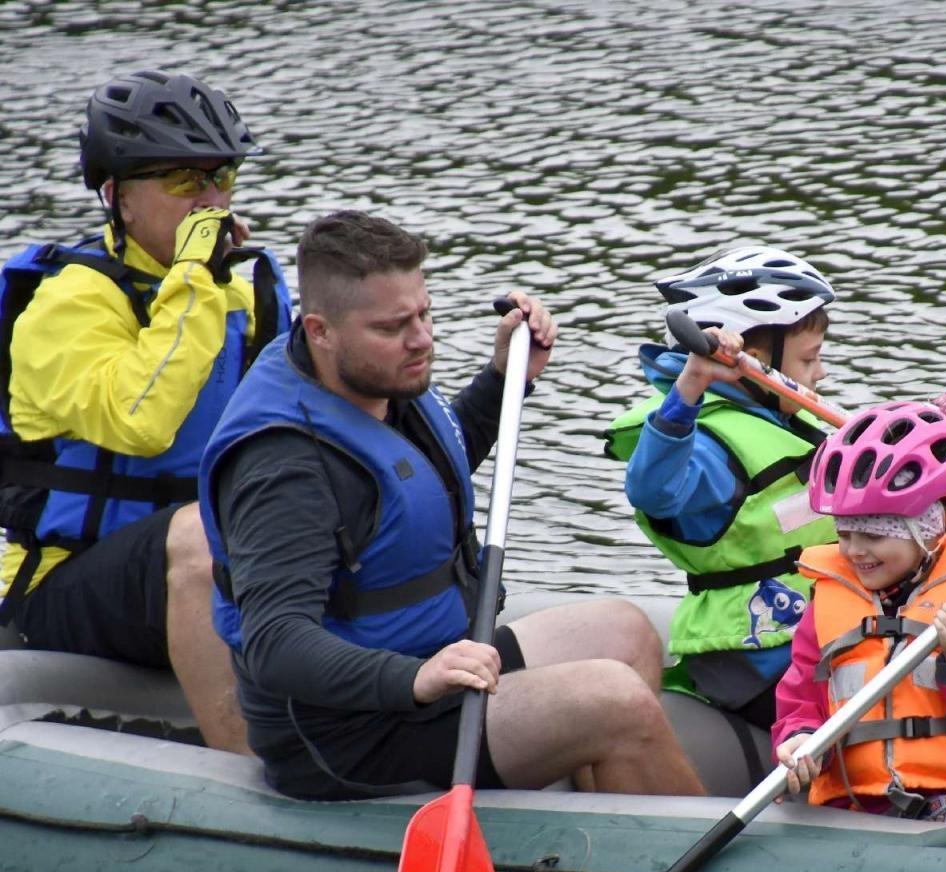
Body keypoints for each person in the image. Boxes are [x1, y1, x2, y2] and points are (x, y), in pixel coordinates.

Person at [198, 209, 704, 800]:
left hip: (436, 667)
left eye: (424, 313)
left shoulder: (375, 381)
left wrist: (503, 378)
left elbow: (420, 478)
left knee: (627, 632)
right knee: (613, 702)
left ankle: (583, 829)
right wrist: (413, 678)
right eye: (392, 327)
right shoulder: (284, 468)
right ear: (319, 330)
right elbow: (275, 642)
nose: (421, 339)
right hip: (354, 733)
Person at [0, 70, 291, 753]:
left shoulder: (233, 300)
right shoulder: (67, 304)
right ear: (118, 198)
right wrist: (195, 279)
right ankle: (249, 768)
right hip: (69, 585)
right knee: (198, 533)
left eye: (223, 179)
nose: (211, 202)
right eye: (186, 183)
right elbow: (141, 419)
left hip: (209, 572)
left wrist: (488, 390)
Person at [603, 246, 838, 729]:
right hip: (752, 662)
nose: (822, 373)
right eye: (810, 359)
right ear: (754, 362)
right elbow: (652, 491)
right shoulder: (709, 445)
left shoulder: (779, 421)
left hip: (805, 637)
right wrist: (689, 387)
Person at [772, 401, 946, 827]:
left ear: (926, 530)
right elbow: (800, 700)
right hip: (853, 807)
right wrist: (797, 737)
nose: (855, 551)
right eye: (844, 534)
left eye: (875, 536)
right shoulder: (828, 601)